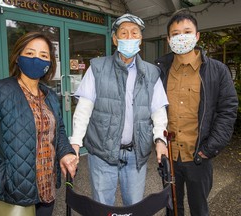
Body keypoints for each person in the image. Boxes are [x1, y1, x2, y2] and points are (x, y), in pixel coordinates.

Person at [0, 32, 78, 216]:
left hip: (47, 191)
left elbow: (59, 131)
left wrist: (65, 152)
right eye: (30, 53)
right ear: (18, 57)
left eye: (43, 55)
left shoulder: (50, 96)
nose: (36, 59)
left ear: (49, 64)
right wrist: (4, 178)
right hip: (13, 196)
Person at [69, 13, 169, 206]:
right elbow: (84, 109)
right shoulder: (97, 68)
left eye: (134, 33)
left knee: (134, 205)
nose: (129, 37)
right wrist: (75, 142)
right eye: (124, 33)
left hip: (136, 154)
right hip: (101, 153)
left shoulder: (152, 73)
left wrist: (160, 140)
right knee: (102, 206)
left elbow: (158, 111)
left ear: (141, 38)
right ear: (115, 39)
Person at [155, 12, 238, 216]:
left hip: (199, 156)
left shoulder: (217, 71)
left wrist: (209, 149)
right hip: (170, 156)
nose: (181, 37)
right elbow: (152, 108)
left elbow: (227, 110)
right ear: (168, 39)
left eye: (187, 32)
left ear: (197, 36)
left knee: (199, 209)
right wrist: (158, 142)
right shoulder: (159, 71)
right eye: (175, 33)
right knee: (172, 208)